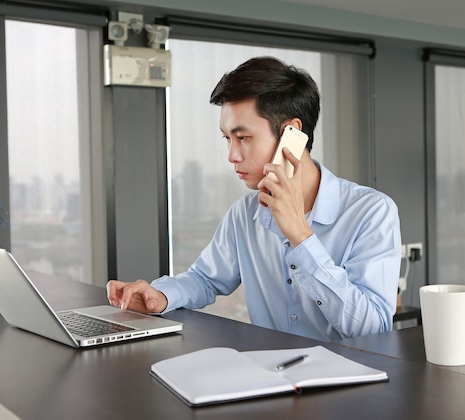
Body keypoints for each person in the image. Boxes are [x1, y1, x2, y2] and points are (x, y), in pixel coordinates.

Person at [107, 56, 401, 342]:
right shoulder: (244, 214)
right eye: (227, 138)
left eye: (243, 138)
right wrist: (161, 296)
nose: (232, 155)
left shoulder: (372, 212)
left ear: (291, 134)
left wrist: (301, 236)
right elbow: (205, 279)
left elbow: (372, 329)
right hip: (271, 378)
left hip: (350, 382)